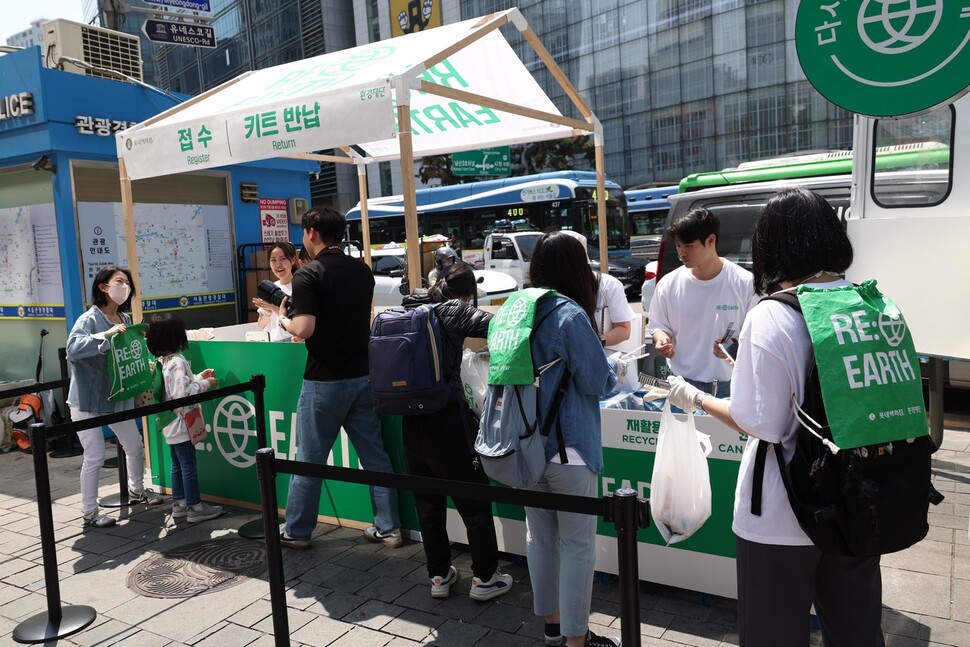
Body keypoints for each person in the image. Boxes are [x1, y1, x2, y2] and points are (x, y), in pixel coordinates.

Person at [665, 187, 883, 647]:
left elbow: (758, 421)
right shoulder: (869, 304)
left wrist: (694, 398)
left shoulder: (772, 315)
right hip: (859, 499)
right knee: (857, 630)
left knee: (773, 634)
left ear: (773, 247)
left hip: (784, 512)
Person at [276, 206, 402, 549]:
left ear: (312, 232)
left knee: (310, 461)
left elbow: (304, 328)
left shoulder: (308, 274)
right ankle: (388, 527)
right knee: (375, 457)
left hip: (323, 381)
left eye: (304, 232)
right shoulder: (362, 272)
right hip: (363, 376)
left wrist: (283, 320)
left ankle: (298, 532)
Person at [524, 231, 620, 647]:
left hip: (524, 446)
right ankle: (576, 640)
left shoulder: (518, 307)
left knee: (540, 539)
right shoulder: (570, 314)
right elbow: (598, 380)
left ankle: (551, 626)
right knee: (578, 546)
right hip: (569, 449)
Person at [400, 263, 511, 601]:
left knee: (428, 502)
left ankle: (438, 576)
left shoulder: (410, 306)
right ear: (466, 293)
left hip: (409, 418)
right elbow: (503, 325)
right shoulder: (455, 310)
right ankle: (485, 577)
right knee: (473, 499)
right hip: (445, 418)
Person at [66, 267, 163, 528]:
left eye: (128, 283)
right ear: (103, 287)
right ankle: (89, 511)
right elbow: (73, 349)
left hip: (118, 397)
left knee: (134, 445)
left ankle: (137, 489)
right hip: (87, 400)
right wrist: (105, 336)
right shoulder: (88, 319)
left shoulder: (125, 318)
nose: (125, 287)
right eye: (119, 281)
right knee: (95, 455)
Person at [647, 207, 757, 396]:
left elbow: (758, 337)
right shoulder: (668, 284)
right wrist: (662, 339)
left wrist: (733, 348)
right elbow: (658, 324)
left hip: (729, 385)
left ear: (711, 240)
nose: (682, 253)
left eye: (688, 245)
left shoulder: (745, 283)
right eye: (678, 245)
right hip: (681, 385)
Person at [145, 313, 224, 523]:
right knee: (188, 465)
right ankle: (195, 508)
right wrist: (207, 384)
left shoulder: (161, 360)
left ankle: (179, 504)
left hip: (169, 421)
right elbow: (182, 394)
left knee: (177, 465)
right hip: (182, 422)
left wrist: (198, 377)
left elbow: (173, 389)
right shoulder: (177, 361)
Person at [252, 241, 298, 342]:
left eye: (282, 259)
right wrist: (268, 313)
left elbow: (298, 322)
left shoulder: (300, 287)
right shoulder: (271, 287)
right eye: (273, 260)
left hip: (291, 343)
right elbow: (261, 324)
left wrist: (272, 308)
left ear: (293, 260)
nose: (278, 264)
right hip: (271, 343)